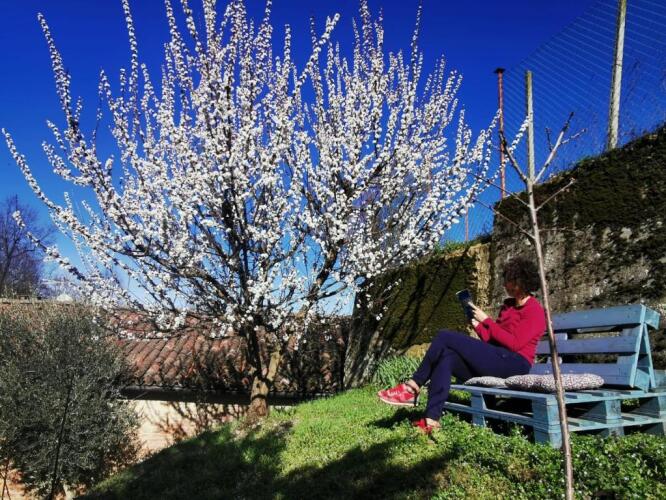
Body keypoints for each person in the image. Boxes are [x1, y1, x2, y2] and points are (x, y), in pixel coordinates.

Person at [377, 256, 546, 434]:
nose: (504, 284)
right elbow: (493, 342)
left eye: (508, 281)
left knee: (444, 336)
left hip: (515, 364)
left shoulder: (534, 310)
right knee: (447, 356)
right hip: (497, 359)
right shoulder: (507, 307)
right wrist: (478, 326)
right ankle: (431, 420)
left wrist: (486, 320)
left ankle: (411, 388)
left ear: (520, 282)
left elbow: (514, 344)